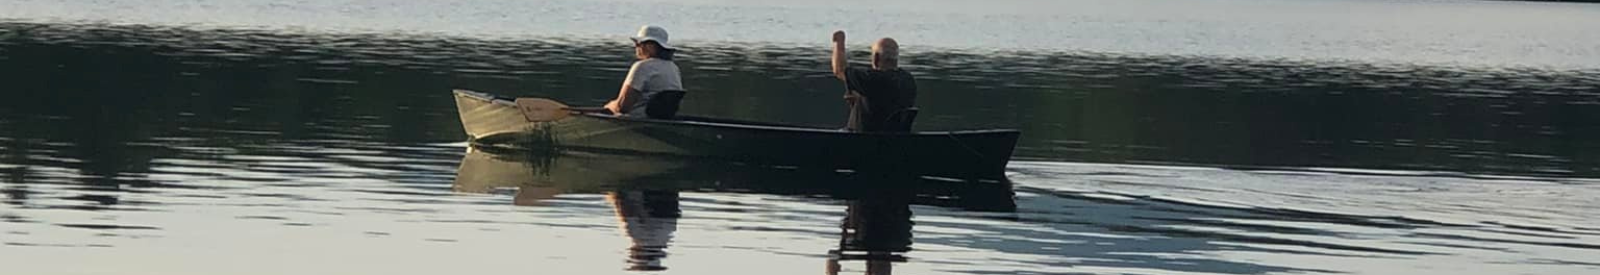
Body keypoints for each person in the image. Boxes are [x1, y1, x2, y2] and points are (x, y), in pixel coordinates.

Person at [831, 30, 917, 132]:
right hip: (894, 142)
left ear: (876, 58)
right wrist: (858, 101)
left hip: (862, 141)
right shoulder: (908, 80)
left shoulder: (873, 79)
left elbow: (840, 70)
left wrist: (839, 42)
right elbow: (884, 103)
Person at [604, 25, 684, 117]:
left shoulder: (642, 67)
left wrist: (609, 106)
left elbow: (622, 107)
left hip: (639, 117)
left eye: (639, 43)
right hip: (665, 117)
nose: (636, 47)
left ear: (651, 46)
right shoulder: (673, 67)